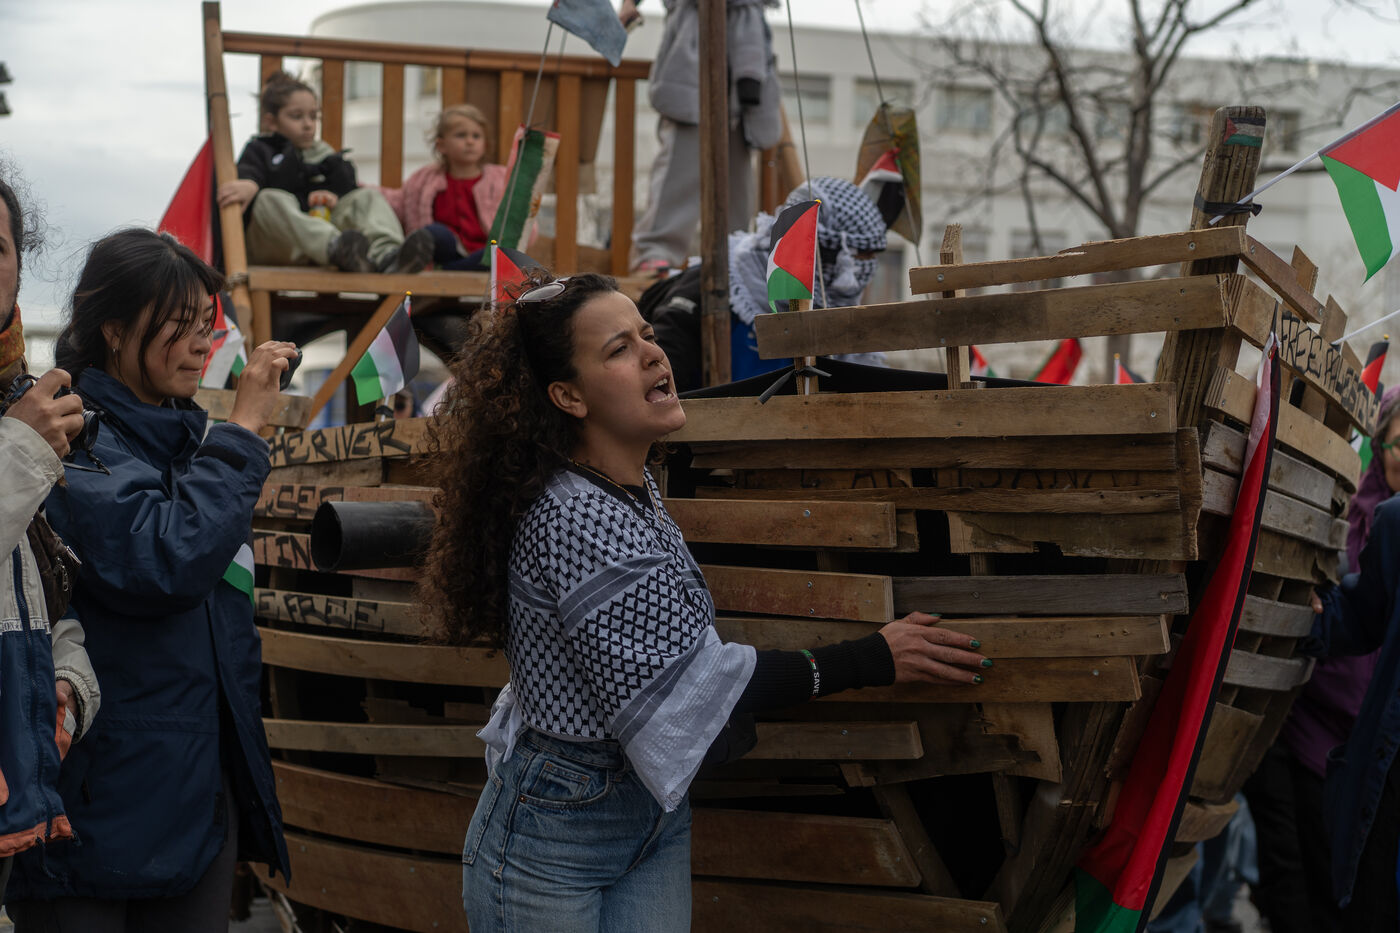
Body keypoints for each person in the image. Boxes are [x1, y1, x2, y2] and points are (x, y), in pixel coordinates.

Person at [420, 273, 990, 931]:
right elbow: (695, 680)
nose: (653, 354)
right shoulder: (577, 515)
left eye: (647, 335)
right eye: (619, 349)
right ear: (568, 396)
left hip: (650, 810)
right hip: (555, 835)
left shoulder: (627, 487)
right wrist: (872, 657)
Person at [5, 228, 293, 932]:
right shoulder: (72, 438)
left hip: (196, 799)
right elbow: (166, 559)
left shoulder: (190, 445)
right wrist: (243, 431)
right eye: (180, 325)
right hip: (94, 808)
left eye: (207, 324)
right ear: (113, 329)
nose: (202, 344)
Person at [1245, 387, 1400, 933]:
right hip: (1350, 750)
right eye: (1399, 443)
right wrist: (1302, 608)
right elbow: (1358, 616)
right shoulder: (1390, 525)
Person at [0, 170, 101, 904]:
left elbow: (35, 585)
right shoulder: (25, 427)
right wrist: (20, 447)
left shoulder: (23, 399)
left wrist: (67, 687)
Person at [642, 176, 889, 391]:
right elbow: (665, 371)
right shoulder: (714, 284)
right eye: (860, 256)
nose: (865, 268)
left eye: (871, 257)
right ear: (822, 251)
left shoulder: (837, 307)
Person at [217, 70, 433, 275]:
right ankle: (335, 247)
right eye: (296, 117)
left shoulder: (324, 154)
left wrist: (334, 197)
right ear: (271, 122)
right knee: (269, 199)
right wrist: (251, 183)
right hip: (278, 245)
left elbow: (347, 189)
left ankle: (388, 255)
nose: (308, 125)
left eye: (313, 116)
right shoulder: (261, 149)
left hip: (323, 242)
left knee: (367, 196)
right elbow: (250, 171)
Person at [624, 0, 782, 274]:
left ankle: (734, 257)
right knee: (680, 165)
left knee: (737, 178)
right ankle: (656, 251)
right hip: (694, 50)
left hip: (741, 72)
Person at [382, 104, 518, 271]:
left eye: (476, 136)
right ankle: (442, 266)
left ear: (485, 144)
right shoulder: (425, 179)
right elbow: (398, 200)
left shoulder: (499, 179)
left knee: (498, 254)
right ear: (441, 145)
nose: (470, 141)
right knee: (434, 233)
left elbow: (521, 221)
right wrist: (356, 186)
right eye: (461, 135)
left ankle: (449, 269)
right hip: (446, 252)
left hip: (481, 253)